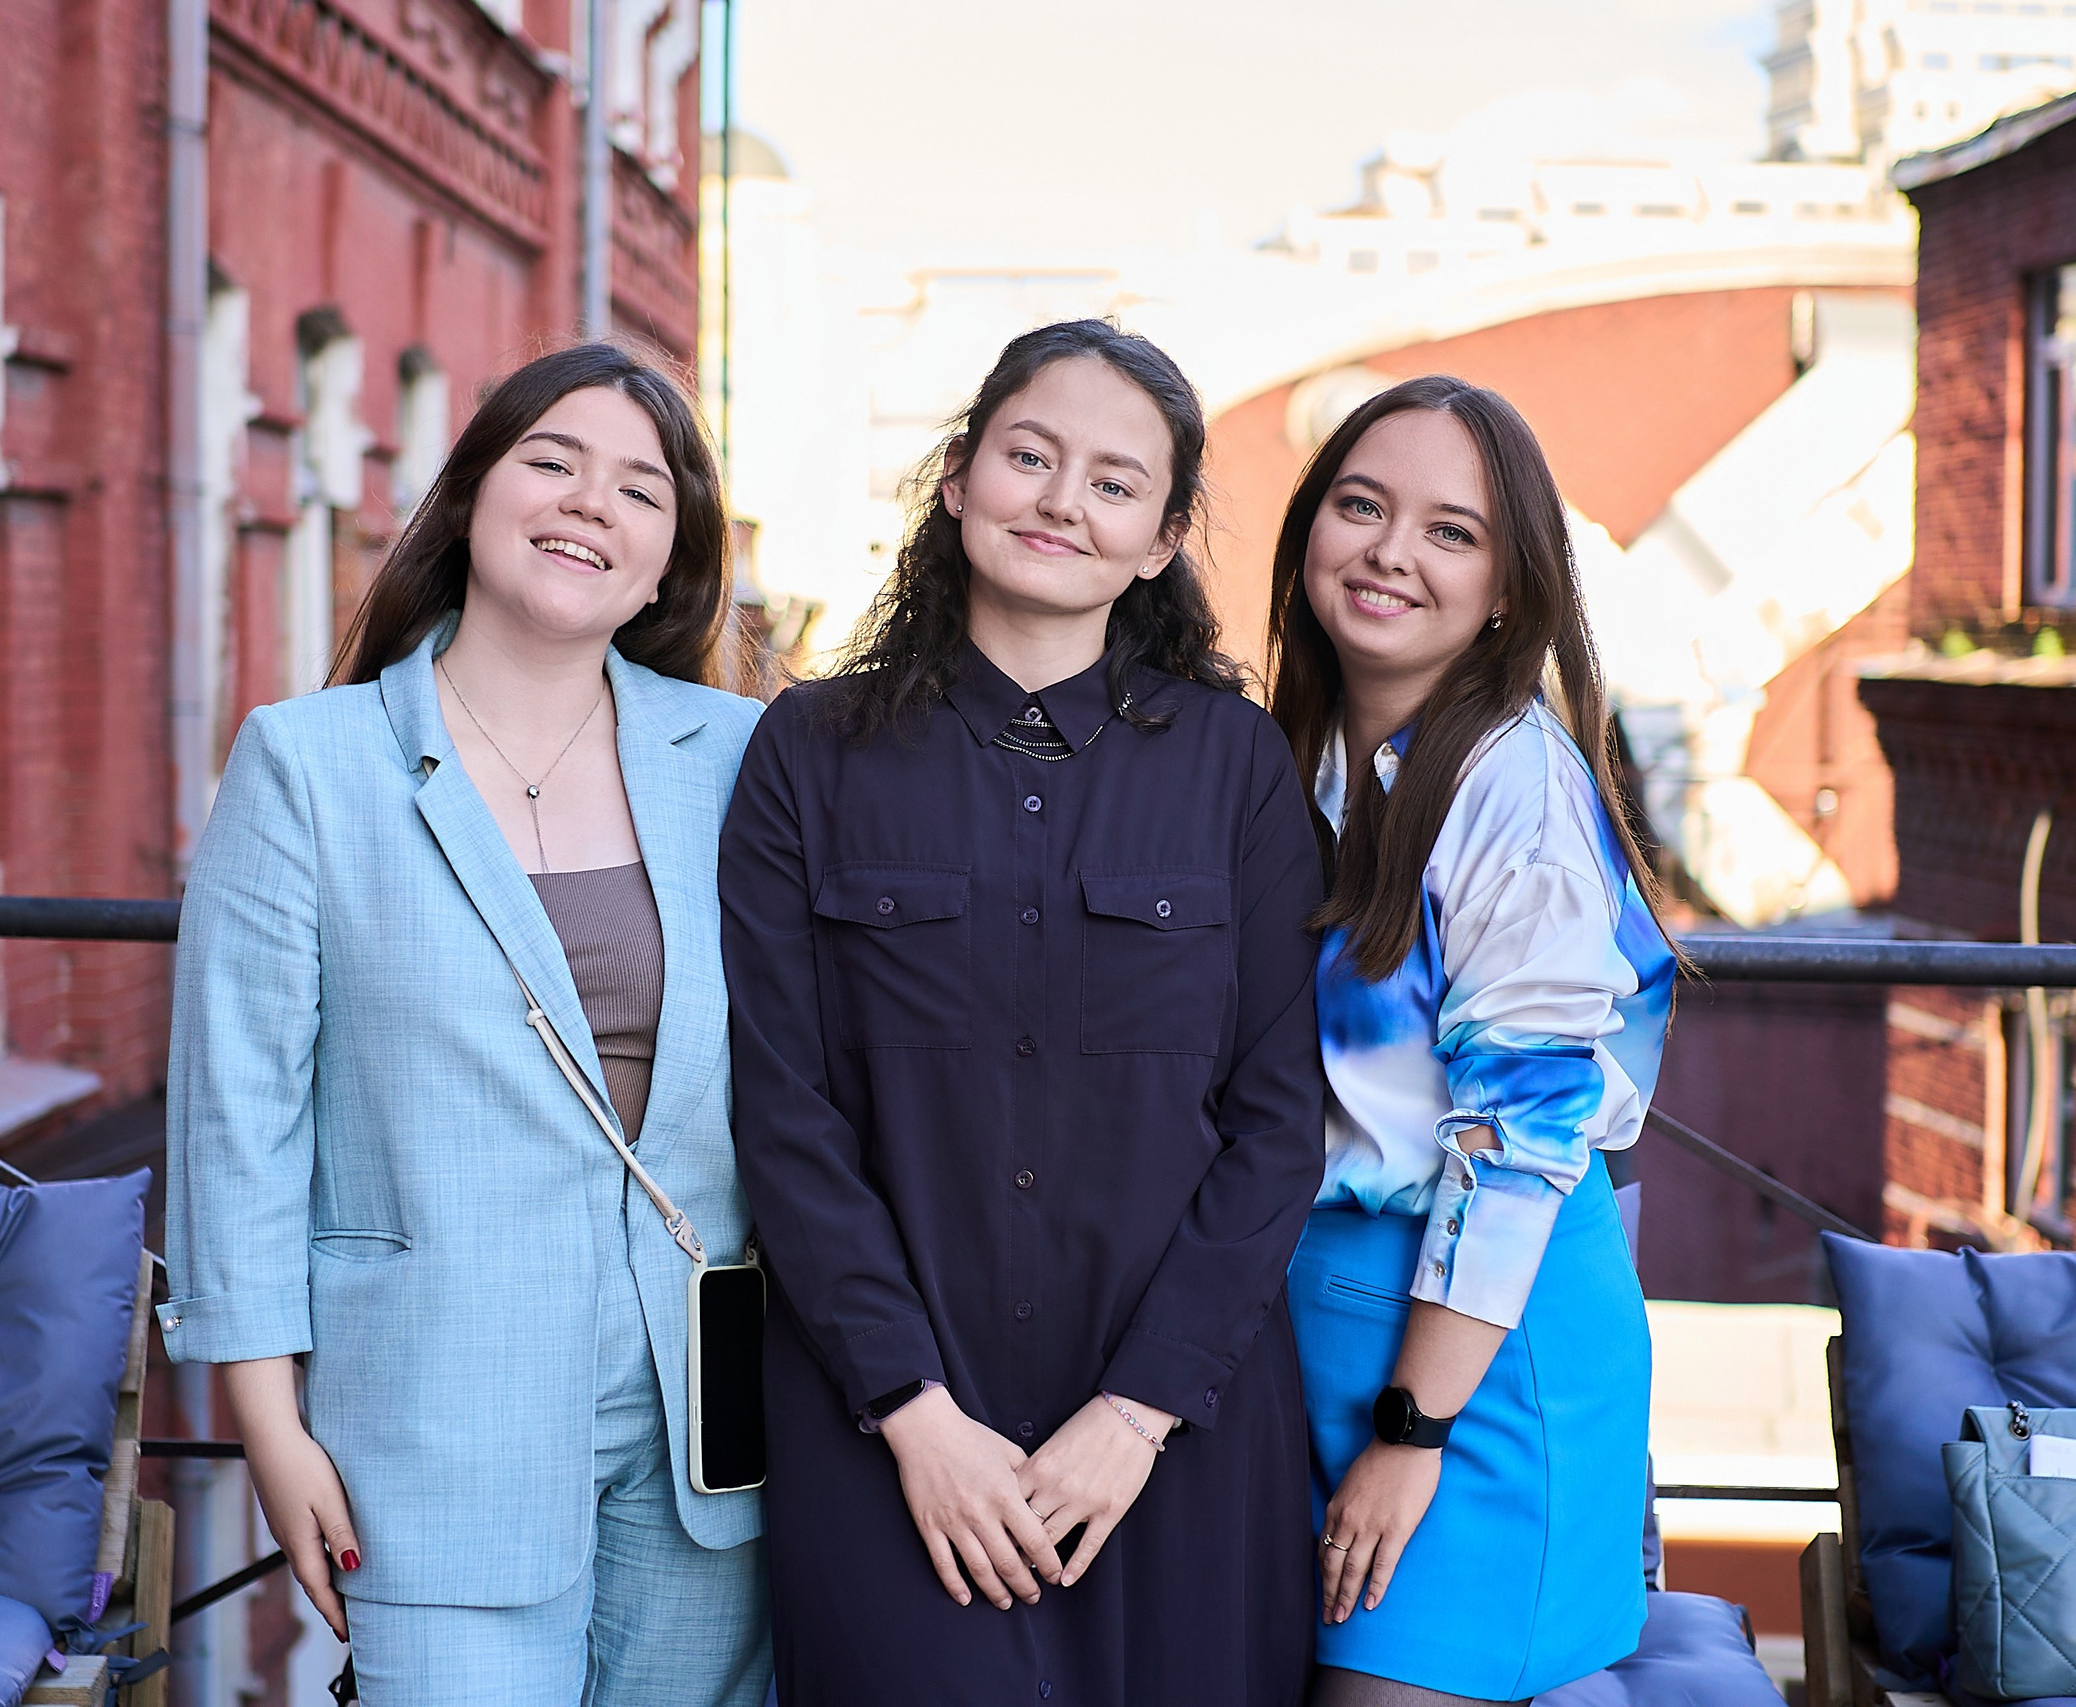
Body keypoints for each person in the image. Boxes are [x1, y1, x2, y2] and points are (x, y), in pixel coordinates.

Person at [719, 320, 1326, 1706]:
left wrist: (1138, 1411)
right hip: (888, 1438)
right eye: (1029, 455)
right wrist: (911, 1414)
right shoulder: (806, 754)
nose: (1060, 499)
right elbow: (782, 1112)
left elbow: (1279, 1124)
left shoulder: (1235, 766)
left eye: (1114, 483)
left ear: (1162, 539)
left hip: (1176, 1442)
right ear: (957, 483)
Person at [162, 341, 770, 1707]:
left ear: (672, 559)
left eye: (638, 490)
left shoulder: (738, 759)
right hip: (435, 1417)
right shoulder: (307, 764)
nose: (586, 505)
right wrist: (270, 1425)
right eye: (550, 462)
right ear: (469, 498)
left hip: (708, 1430)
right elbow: (235, 1116)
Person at [1265, 374, 1679, 1707]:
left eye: (1451, 531)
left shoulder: (1513, 782)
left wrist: (1414, 1428)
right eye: (1362, 506)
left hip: (1475, 1364)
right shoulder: (1307, 749)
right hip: (1318, 1324)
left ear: (1511, 586)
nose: (1391, 550)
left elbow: (1523, 1138)